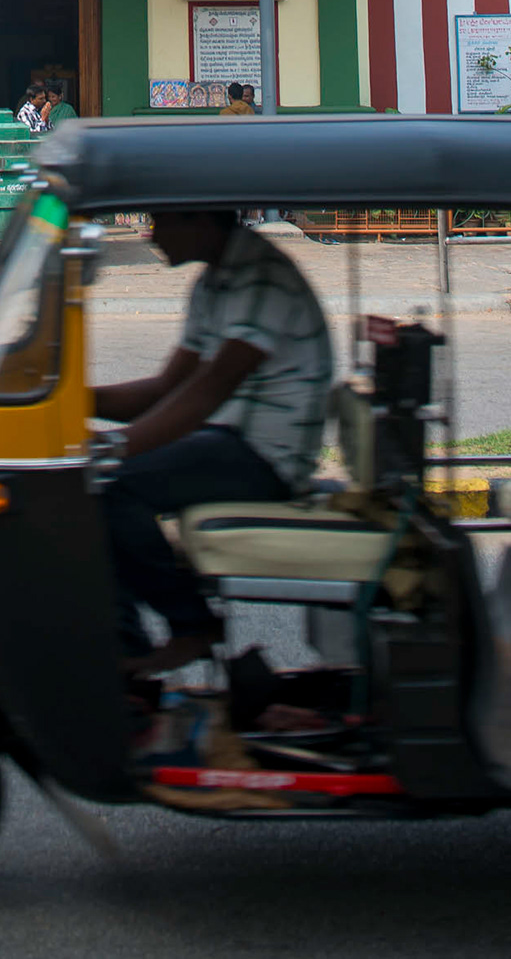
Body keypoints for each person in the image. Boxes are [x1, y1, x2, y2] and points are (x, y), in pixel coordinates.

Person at [93, 206, 333, 673]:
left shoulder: (260, 278)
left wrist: (112, 448)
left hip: (266, 457)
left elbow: (208, 391)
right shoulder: (213, 283)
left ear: (199, 220)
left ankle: (191, 627)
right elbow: (166, 389)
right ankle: (124, 660)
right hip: (226, 439)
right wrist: (68, 401)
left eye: (160, 223)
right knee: (88, 487)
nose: (151, 237)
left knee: (109, 483)